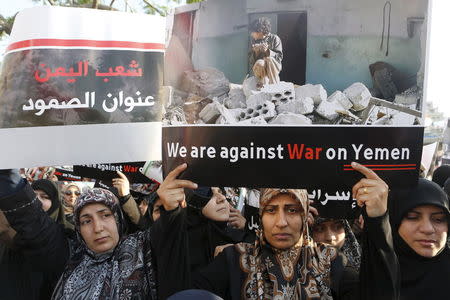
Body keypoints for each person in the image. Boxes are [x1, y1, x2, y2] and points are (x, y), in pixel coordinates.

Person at [157, 162, 399, 299]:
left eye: (292, 210)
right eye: (271, 210)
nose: (281, 222)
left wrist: (378, 221)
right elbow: (180, 294)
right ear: (260, 216)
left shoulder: (331, 263)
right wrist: (172, 214)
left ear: (306, 216)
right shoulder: (235, 259)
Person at [0, 169, 187, 299]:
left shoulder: (144, 249)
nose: (98, 228)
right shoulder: (69, 255)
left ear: (118, 219)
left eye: (105, 216)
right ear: (78, 228)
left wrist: (171, 209)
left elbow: (169, 237)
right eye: (86, 221)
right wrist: (7, 172)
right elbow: (33, 222)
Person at [0, 179, 71, 300]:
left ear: (55, 202)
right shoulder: (6, 227)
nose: (37, 200)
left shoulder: (66, 236)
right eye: (33, 196)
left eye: (45, 197)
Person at [390, 178, 450, 300]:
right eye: (413, 217)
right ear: (393, 221)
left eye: (438, 219)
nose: (428, 229)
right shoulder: (368, 274)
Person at [248, 17, 283, 88]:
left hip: (273, 68)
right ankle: (263, 85)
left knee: (269, 59)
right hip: (259, 69)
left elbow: (279, 58)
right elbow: (251, 62)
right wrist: (256, 52)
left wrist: (267, 51)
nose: (251, 34)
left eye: (253, 32)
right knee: (261, 62)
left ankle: (274, 87)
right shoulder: (253, 41)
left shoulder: (275, 38)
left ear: (260, 31)